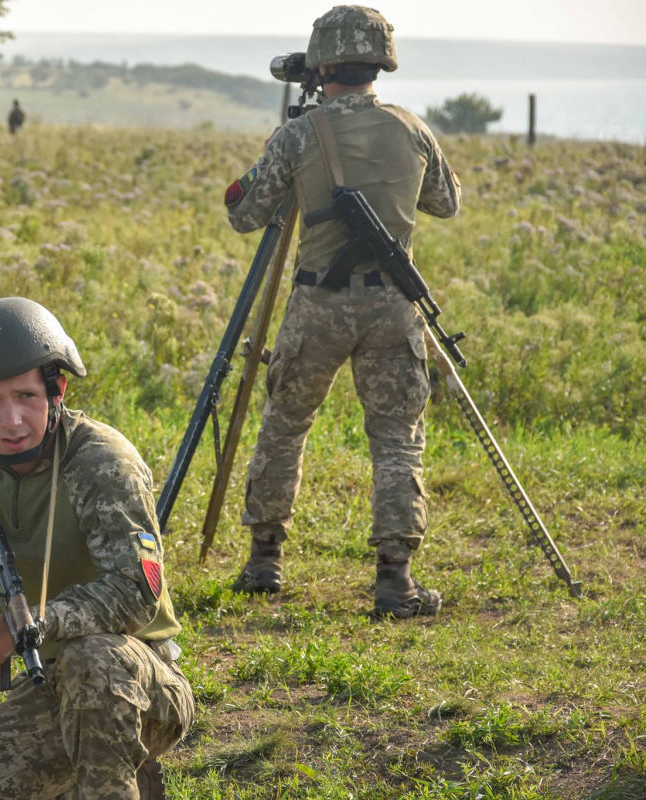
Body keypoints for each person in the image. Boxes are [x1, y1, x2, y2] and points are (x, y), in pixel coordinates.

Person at [0, 297, 194, 799]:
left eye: (26, 396)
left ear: (57, 391)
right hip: (48, 686)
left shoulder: (100, 461)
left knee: (91, 661)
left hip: (140, 679)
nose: (12, 421)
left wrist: (24, 625)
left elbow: (137, 591)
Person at [222, 5, 461, 618]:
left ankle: (264, 560)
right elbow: (445, 204)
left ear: (322, 63)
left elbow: (246, 214)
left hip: (317, 304)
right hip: (392, 305)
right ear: (381, 61)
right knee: (397, 439)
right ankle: (395, 580)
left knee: (284, 423)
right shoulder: (412, 128)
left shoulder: (300, 133)